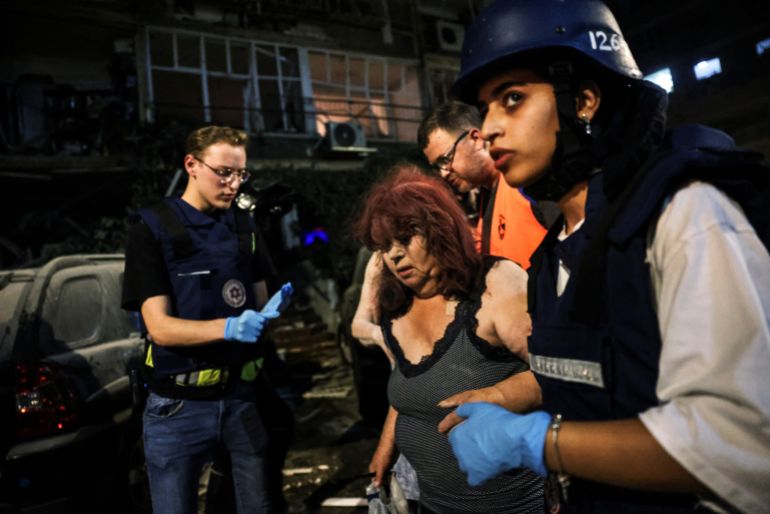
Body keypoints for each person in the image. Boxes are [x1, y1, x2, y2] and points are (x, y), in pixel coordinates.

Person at [445, 1, 770, 513]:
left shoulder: (684, 215)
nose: (488, 128)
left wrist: (537, 443)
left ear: (585, 101)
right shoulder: (554, 252)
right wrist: (511, 395)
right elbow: (601, 367)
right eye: (485, 108)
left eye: (512, 99)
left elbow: (740, 444)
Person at [121, 125, 293, 514]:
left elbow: (259, 301)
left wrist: (269, 313)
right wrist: (229, 328)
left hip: (239, 397)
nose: (234, 184)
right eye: (224, 173)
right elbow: (159, 328)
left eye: (241, 174)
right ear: (191, 165)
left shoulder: (244, 226)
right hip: (178, 406)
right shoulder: (152, 229)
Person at [353, 166, 544, 513]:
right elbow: (411, 384)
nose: (394, 255)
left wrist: (499, 395)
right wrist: (385, 447)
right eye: (384, 246)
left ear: (440, 229)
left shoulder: (495, 285)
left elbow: (561, 375)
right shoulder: (397, 307)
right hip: (433, 505)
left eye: (405, 237)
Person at [418, 101, 551, 269]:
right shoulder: (486, 200)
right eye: (437, 166)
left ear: (476, 139)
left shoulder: (526, 179)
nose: (443, 173)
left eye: (445, 159)